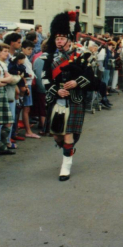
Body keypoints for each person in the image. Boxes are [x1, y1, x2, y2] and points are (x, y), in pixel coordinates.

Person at [42, 11, 95, 181]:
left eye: (62, 38)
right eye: (57, 38)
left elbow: (91, 76)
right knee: (57, 135)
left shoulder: (80, 56)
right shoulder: (49, 58)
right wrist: (55, 90)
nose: (59, 41)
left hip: (74, 98)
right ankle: (68, 149)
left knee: (68, 134)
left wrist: (77, 82)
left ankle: (66, 165)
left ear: (69, 40)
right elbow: (44, 79)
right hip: (56, 98)